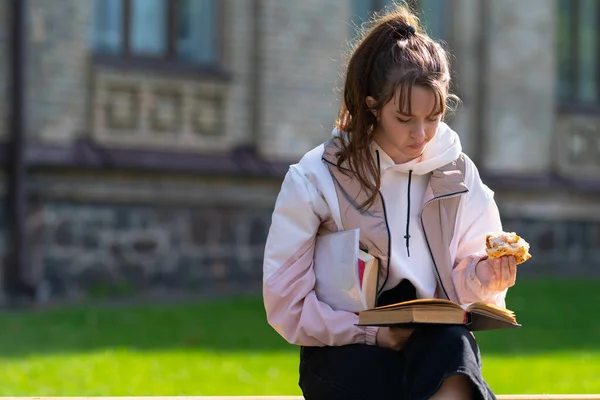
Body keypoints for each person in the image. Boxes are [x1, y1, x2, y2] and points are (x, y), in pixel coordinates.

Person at [262, 3, 517, 399]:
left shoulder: (459, 174)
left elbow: (469, 288)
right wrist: (373, 334)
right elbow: (286, 304)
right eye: (404, 119)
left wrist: (485, 278)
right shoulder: (315, 177)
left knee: (453, 348)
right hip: (344, 347)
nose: (421, 134)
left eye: (433, 117)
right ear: (371, 107)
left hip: (432, 344)